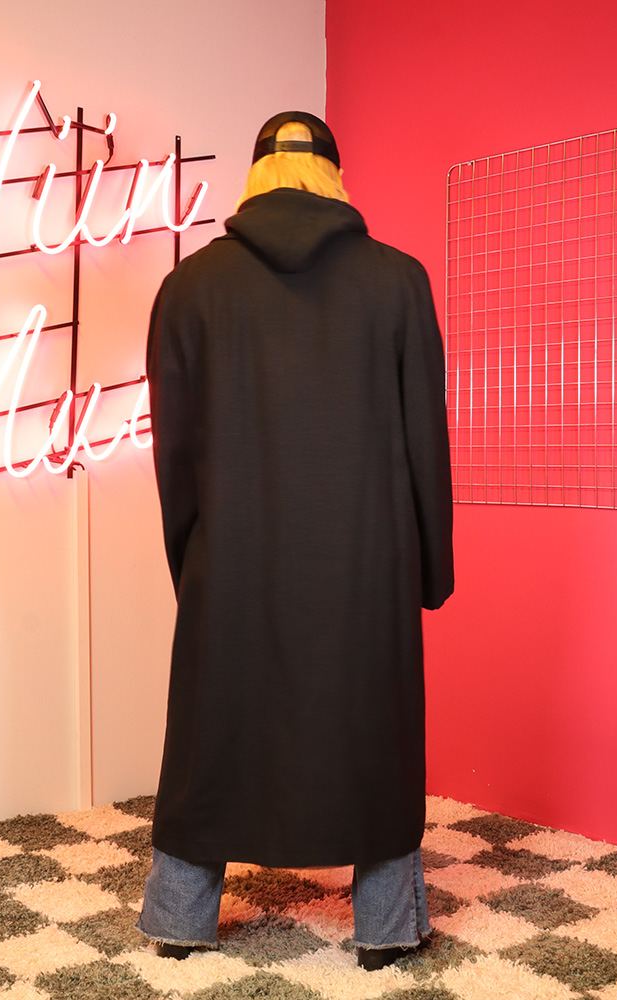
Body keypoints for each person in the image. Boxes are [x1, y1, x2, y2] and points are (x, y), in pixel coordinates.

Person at [137, 111, 454, 971]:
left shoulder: (190, 287)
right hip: (367, 564)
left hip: (232, 561)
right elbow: (425, 438)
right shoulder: (398, 281)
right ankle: (386, 928)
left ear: (256, 176)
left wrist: (195, 562)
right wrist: (429, 568)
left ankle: (180, 919)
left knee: (212, 736)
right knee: (373, 733)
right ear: (335, 176)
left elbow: (176, 453)